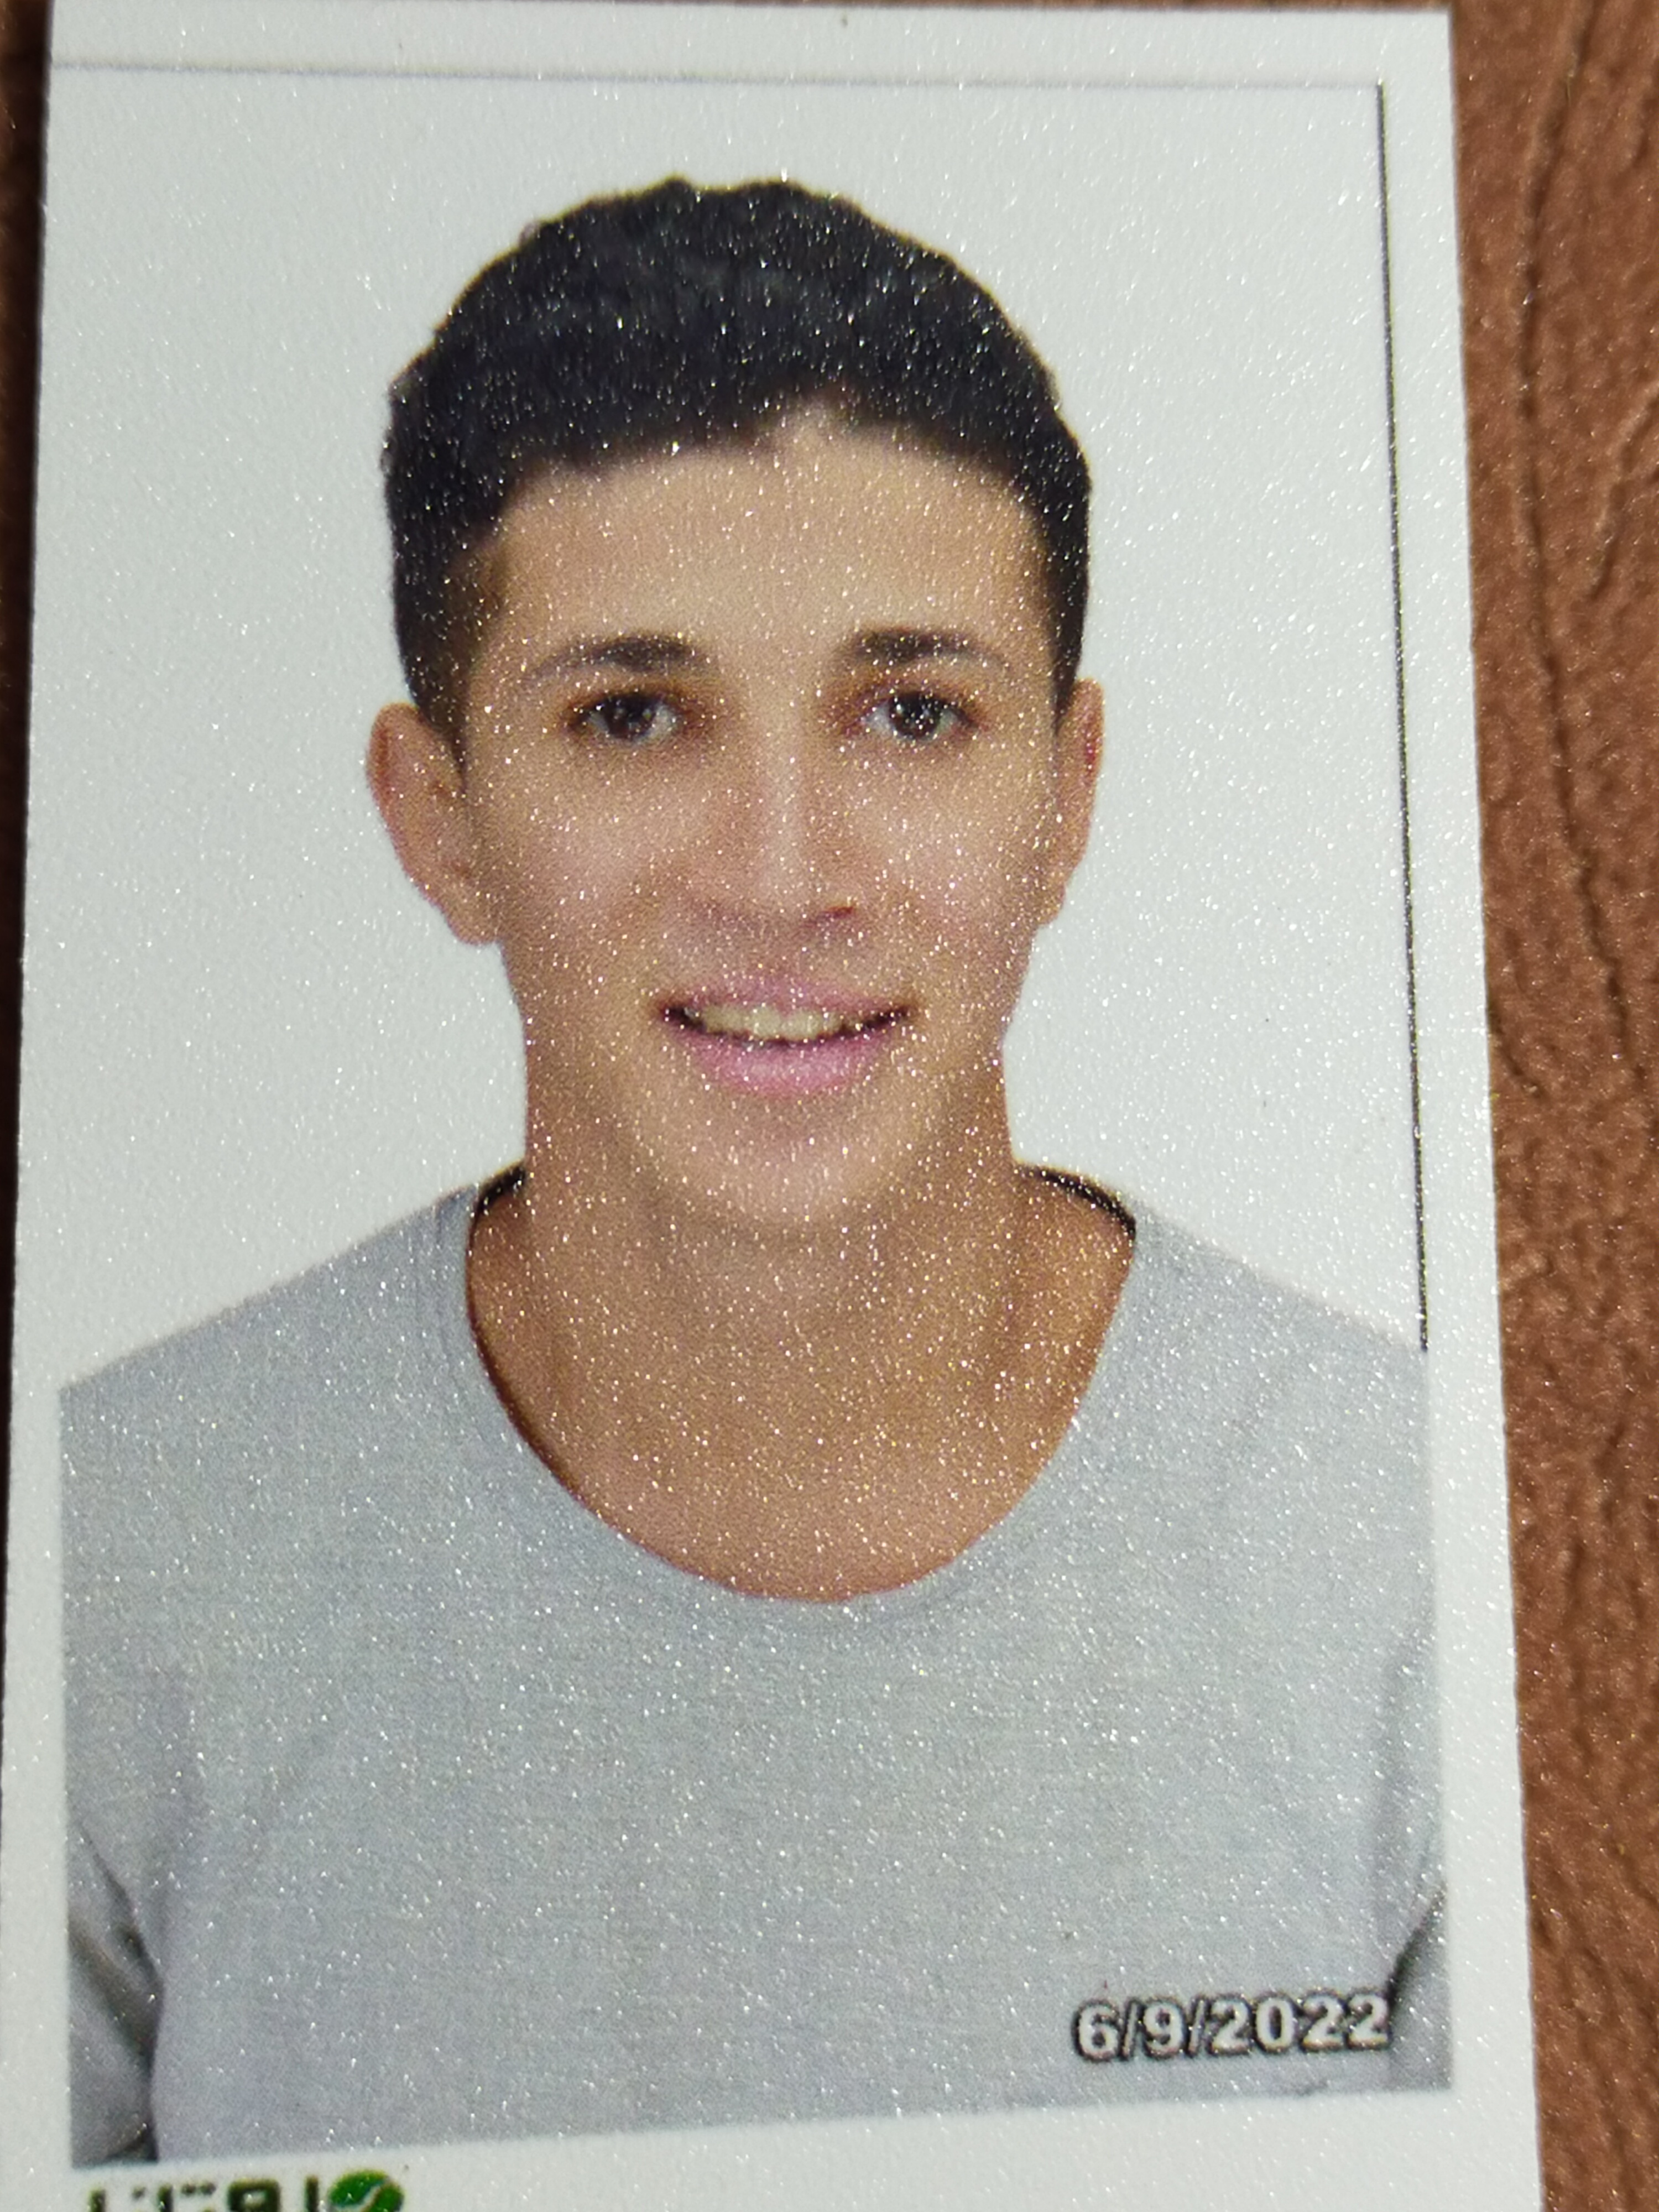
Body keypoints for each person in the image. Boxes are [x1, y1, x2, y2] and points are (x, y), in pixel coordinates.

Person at [64, 180, 1442, 2166]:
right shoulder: (112, 1561)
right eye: (633, 715)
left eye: (913, 713)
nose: (783, 876)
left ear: (1065, 798)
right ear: (439, 818)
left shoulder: (1405, 1558)